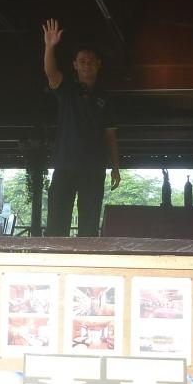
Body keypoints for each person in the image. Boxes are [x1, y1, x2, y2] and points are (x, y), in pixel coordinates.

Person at [42, 19, 120, 237]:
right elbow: (51, 72)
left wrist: (115, 167)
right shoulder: (67, 90)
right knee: (57, 223)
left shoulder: (105, 98)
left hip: (94, 168)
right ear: (75, 65)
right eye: (82, 61)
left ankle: (87, 257)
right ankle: (55, 257)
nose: (87, 65)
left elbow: (110, 135)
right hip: (65, 165)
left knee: (89, 224)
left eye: (91, 62)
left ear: (98, 64)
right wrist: (49, 46)